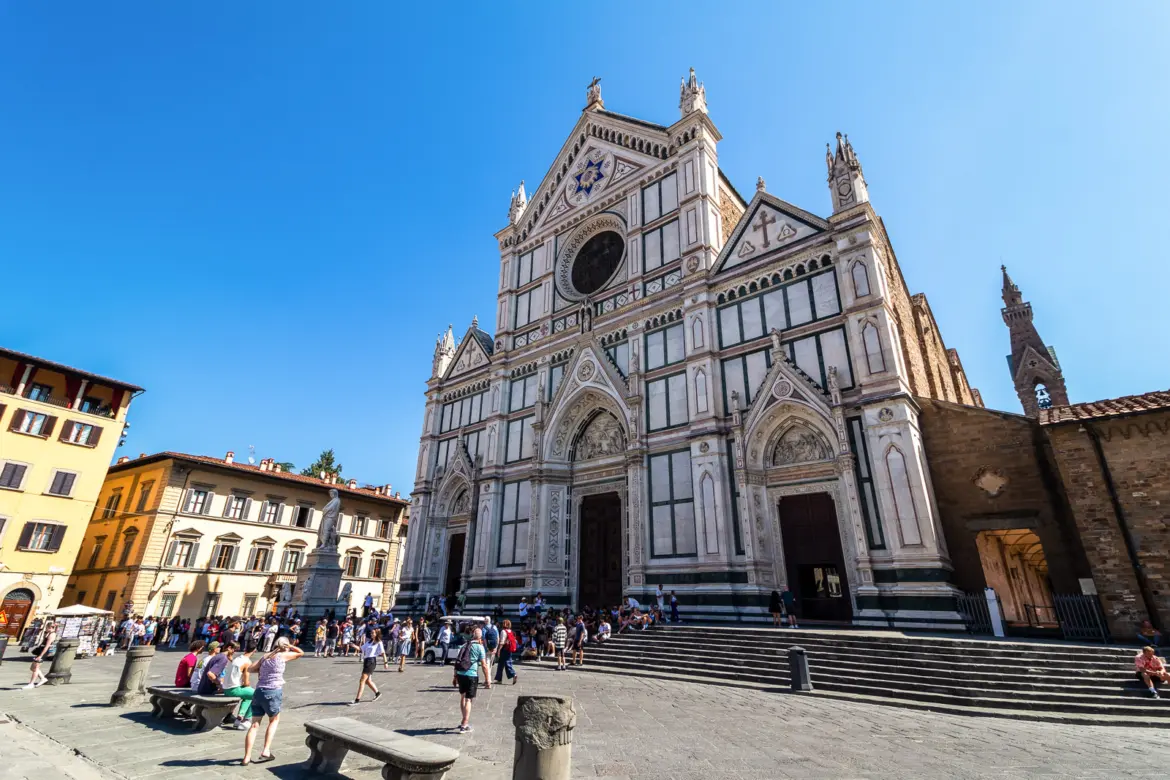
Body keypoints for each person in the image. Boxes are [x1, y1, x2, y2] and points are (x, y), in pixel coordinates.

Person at [243, 636, 303, 765]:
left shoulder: (266, 656)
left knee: (254, 724)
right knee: (274, 720)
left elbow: (250, 669)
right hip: (273, 691)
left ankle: (246, 757)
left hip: (259, 691)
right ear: (284, 646)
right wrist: (289, 646)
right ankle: (266, 751)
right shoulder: (283, 656)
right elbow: (300, 653)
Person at [454, 627, 491, 733]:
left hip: (461, 673)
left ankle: (463, 720)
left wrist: (455, 676)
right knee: (469, 699)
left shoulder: (464, 645)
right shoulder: (480, 647)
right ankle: (465, 724)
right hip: (471, 674)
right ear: (480, 638)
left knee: (462, 696)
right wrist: (488, 679)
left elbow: (458, 660)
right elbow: (484, 665)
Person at [222, 642, 256, 730]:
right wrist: (248, 686)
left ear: (245, 649)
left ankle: (239, 718)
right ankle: (246, 719)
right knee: (257, 695)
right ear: (254, 651)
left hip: (225, 688)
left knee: (248, 696)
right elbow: (246, 682)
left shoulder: (237, 659)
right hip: (234, 689)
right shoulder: (247, 662)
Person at [350, 628, 387, 705]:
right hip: (366, 661)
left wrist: (385, 662)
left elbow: (383, 653)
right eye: (371, 633)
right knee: (367, 681)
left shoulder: (379, 642)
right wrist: (353, 645)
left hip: (371, 661)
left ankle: (357, 700)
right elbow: (361, 649)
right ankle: (377, 693)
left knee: (362, 680)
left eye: (373, 633)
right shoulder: (369, 642)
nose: (371, 634)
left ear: (377, 634)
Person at [24, 622, 57, 689]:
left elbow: (47, 646)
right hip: (41, 651)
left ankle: (31, 684)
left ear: (50, 627)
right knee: (32, 668)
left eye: (47, 628)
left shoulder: (52, 635)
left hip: (43, 652)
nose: (46, 629)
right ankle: (43, 679)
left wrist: (41, 656)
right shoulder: (48, 633)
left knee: (35, 668)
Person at [495, 619, 518, 684]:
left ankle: (513, 674)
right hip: (509, 649)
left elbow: (502, 642)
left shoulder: (503, 631)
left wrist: (499, 650)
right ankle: (499, 679)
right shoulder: (511, 631)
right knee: (502, 664)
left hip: (504, 649)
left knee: (505, 664)